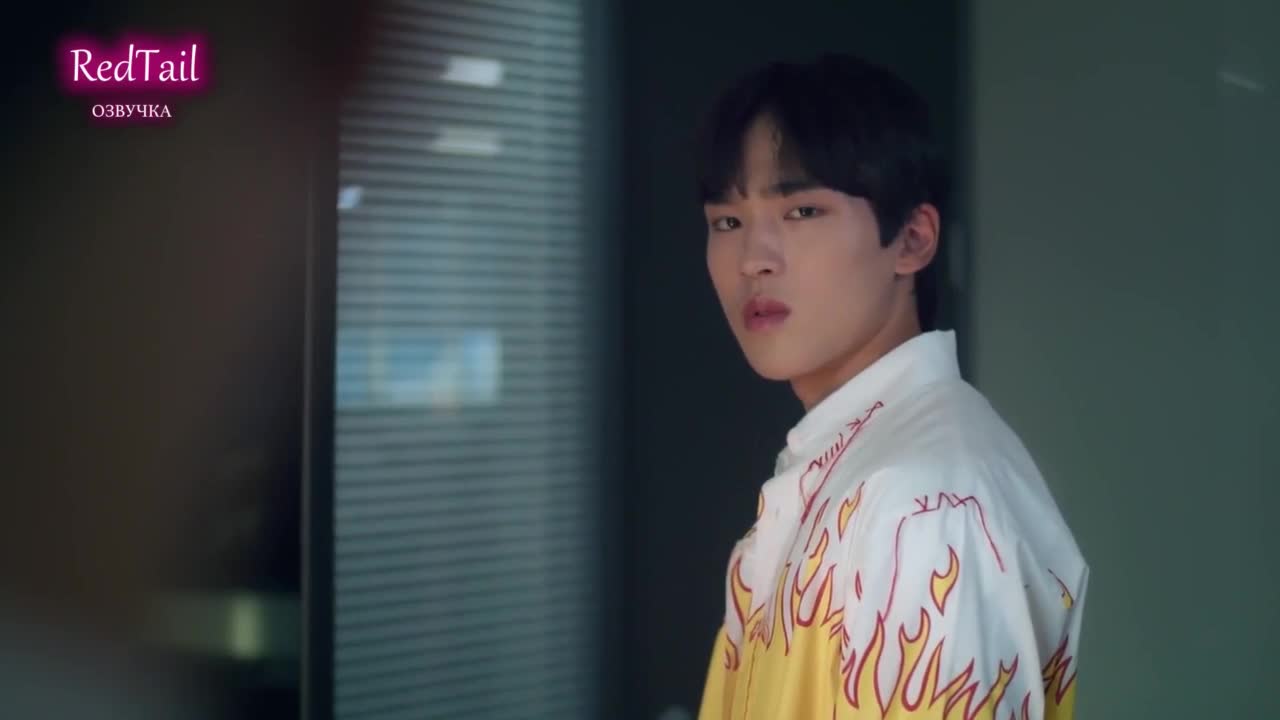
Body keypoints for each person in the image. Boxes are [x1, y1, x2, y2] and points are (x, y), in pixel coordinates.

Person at [694, 53, 1088, 719]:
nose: (753, 258)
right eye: (726, 222)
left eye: (802, 211)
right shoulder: (859, 464)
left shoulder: (924, 507)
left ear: (911, 239)